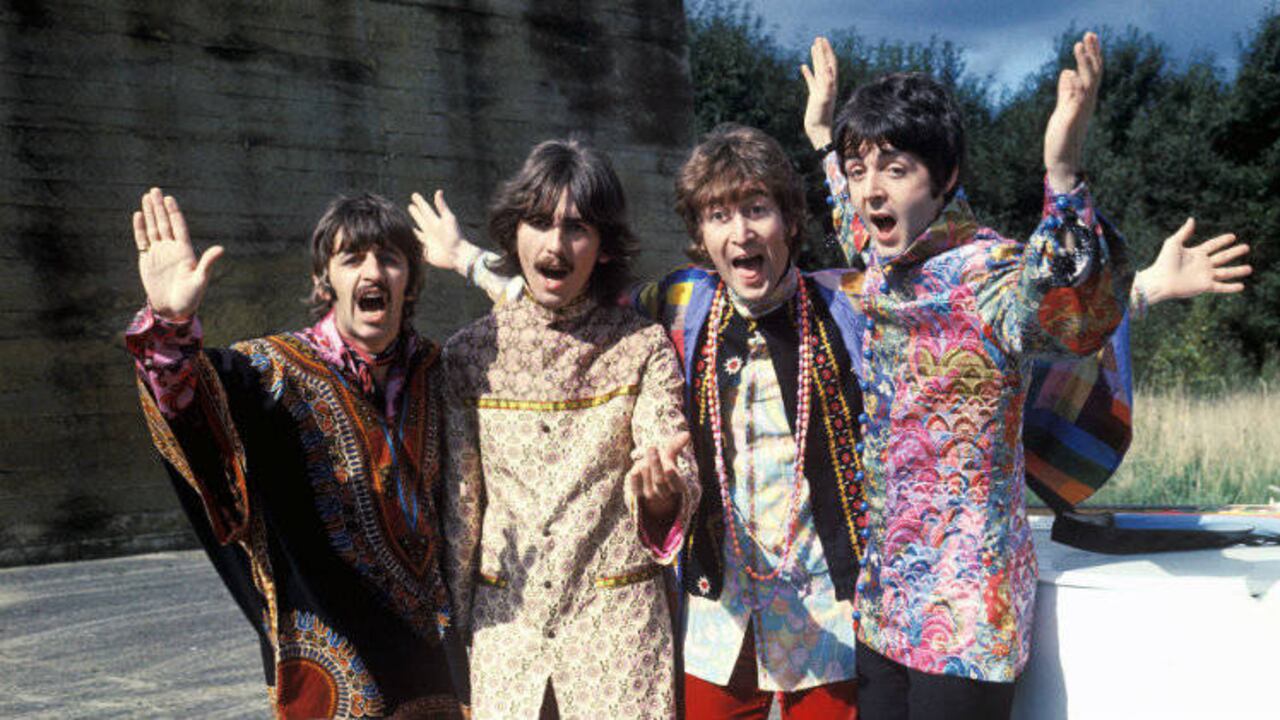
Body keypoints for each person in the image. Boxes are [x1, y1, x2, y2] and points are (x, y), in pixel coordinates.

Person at [412, 38, 1247, 720]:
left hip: (875, 613)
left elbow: (1040, 315)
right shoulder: (692, 303)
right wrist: (470, 262)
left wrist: (1130, 270)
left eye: (758, 211)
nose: (741, 233)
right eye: (718, 215)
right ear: (699, 233)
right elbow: (572, 302)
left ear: (791, 223)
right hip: (759, 615)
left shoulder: (862, 297)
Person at [799, 33, 1251, 718]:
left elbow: (1062, 319)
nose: (870, 189)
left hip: (966, 619)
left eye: (895, 169)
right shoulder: (882, 257)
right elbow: (847, 207)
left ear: (946, 177)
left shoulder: (990, 271)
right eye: (861, 170)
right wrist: (822, 135)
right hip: (884, 602)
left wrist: (1063, 177)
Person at [126, 189, 465, 719]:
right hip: (337, 666)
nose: (372, 272)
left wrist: (471, 261)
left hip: (438, 656)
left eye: (390, 258)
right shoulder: (270, 373)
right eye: (352, 258)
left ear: (412, 281)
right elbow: (185, 398)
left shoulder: (441, 372)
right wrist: (169, 326)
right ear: (323, 281)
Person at [429, 139, 700, 719]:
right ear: (513, 234)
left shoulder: (641, 347)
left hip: (617, 641)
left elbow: (669, 453)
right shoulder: (471, 355)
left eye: (577, 227)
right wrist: (453, 646)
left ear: (603, 247)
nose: (555, 244)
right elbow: (461, 510)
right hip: (509, 640)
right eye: (538, 222)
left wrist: (662, 492)